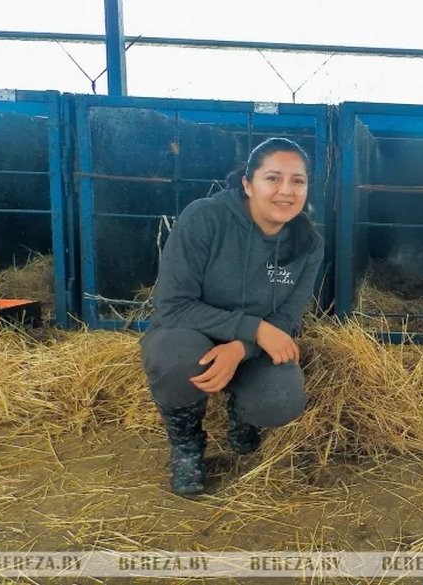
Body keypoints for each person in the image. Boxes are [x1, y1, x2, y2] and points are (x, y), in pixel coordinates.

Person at [139, 137, 324, 496]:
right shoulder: (205, 218)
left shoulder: (309, 245)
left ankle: (242, 413)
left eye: (298, 181)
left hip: (251, 346)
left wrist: (242, 347)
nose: (286, 191)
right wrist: (253, 327)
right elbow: (174, 304)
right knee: (176, 357)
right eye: (273, 178)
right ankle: (187, 444)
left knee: (282, 399)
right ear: (247, 183)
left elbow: (286, 320)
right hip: (188, 333)